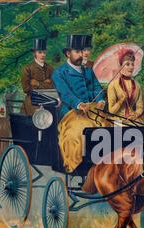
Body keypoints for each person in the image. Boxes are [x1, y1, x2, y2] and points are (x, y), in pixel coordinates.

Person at [52, 34, 106, 172]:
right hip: (71, 113)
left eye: (82, 51)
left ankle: (106, 165)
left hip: (93, 111)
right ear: (68, 53)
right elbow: (65, 93)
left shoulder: (88, 71)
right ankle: (78, 166)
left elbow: (96, 88)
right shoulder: (59, 73)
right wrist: (79, 104)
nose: (81, 55)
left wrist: (100, 100)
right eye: (77, 52)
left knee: (109, 127)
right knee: (78, 132)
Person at [107, 48, 144, 124]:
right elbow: (111, 111)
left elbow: (140, 107)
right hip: (118, 120)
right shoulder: (113, 85)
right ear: (121, 66)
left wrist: (135, 114)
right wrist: (121, 100)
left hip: (133, 119)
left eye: (132, 64)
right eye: (127, 64)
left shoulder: (137, 85)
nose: (131, 67)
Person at [21, 39, 54, 116]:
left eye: (44, 52)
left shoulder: (50, 68)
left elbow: (54, 87)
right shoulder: (27, 68)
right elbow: (26, 89)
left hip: (49, 100)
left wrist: (38, 84)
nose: (43, 55)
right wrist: (46, 84)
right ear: (34, 53)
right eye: (40, 52)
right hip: (32, 102)